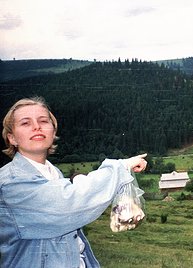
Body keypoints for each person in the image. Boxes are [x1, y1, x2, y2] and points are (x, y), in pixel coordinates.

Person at [0, 96, 148, 268]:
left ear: (53, 132)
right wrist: (121, 167)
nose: (36, 126)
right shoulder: (10, 182)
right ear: (12, 138)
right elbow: (68, 202)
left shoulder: (53, 172)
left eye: (43, 121)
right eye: (25, 123)